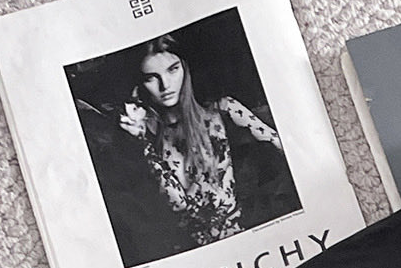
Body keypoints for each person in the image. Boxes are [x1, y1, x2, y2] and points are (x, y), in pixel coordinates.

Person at [118, 34, 289, 251]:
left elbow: (283, 145)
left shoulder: (223, 111)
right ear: (139, 85)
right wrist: (143, 143)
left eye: (173, 69)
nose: (165, 85)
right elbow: (179, 203)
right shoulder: (146, 137)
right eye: (151, 78)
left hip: (247, 235)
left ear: (185, 68)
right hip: (192, 250)